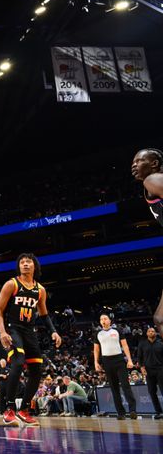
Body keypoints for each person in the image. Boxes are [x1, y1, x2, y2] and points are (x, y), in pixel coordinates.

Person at [0, 253, 62, 427]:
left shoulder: (40, 290)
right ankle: (9, 410)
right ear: (19, 267)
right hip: (13, 329)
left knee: (37, 370)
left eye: (28, 262)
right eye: (22, 262)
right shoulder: (12, 284)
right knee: (17, 363)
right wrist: (2, 332)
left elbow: (44, 314)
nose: (25, 264)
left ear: (34, 266)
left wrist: (53, 332)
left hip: (29, 332)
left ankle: (24, 410)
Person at [131, 148, 163, 337]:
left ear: (154, 164)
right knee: (160, 319)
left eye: (139, 161)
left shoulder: (152, 179)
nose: (134, 166)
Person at [94, 313, 136, 420]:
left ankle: (132, 410)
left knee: (126, 385)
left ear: (109, 320)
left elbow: (125, 345)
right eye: (101, 319)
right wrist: (96, 362)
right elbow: (96, 349)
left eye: (105, 318)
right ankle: (121, 413)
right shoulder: (98, 333)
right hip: (106, 361)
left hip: (119, 360)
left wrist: (130, 360)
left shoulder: (117, 331)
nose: (103, 321)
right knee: (114, 388)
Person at [137, 326, 163, 419]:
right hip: (148, 371)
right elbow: (139, 357)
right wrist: (142, 367)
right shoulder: (142, 344)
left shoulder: (161, 343)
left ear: (155, 333)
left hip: (160, 370)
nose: (151, 332)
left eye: (153, 331)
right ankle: (158, 412)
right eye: (149, 331)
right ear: (147, 333)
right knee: (152, 392)